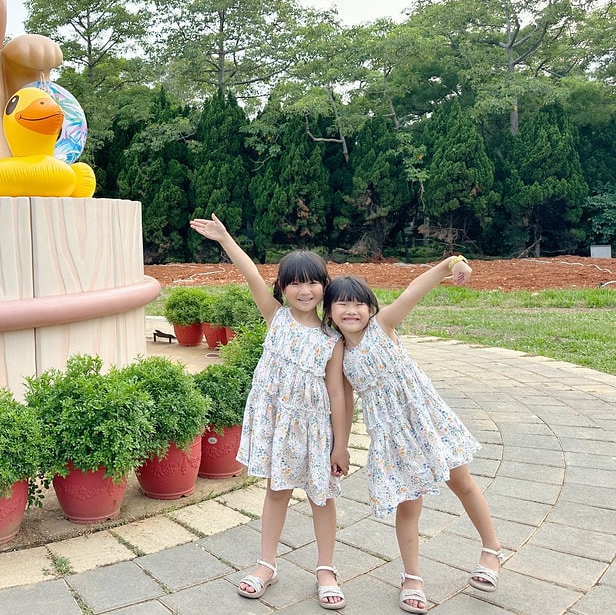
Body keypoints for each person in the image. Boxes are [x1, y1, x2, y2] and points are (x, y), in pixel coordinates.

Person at [323, 256, 504, 614]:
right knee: (408, 506)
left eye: (359, 302)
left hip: (428, 421)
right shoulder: (338, 353)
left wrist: (450, 264)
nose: (352, 309)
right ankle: (412, 577)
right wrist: (340, 447)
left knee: (463, 483)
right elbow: (342, 402)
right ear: (329, 311)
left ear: (371, 307)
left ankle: (492, 550)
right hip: (393, 437)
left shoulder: (383, 326)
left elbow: (412, 292)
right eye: (342, 303)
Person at [190, 214, 348, 610]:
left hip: (315, 430)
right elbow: (249, 274)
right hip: (279, 425)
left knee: (321, 496)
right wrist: (225, 238)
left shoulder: (332, 339)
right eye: (294, 282)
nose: (304, 289)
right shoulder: (275, 316)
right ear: (282, 288)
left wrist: (340, 445)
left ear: (324, 286)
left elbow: (338, 395)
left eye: (312, 281)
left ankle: (326, 569)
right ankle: (266, 564)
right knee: (276, 491)